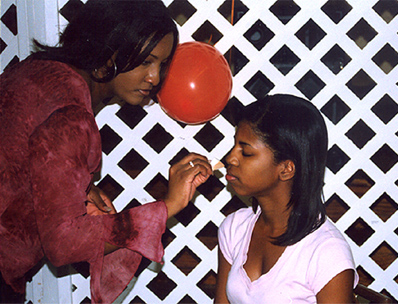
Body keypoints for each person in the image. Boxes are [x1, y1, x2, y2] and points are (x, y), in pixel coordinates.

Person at [0, 0, 212, 303]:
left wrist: (77, 190)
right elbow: (63, 244)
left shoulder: (37, 73)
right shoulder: (71, 114)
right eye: (145, 61)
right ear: (108, 49)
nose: (154, 78)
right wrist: (167, 206)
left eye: (161, 65)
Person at [215, 94, 359, 303]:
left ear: (286, 169)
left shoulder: (325, 251)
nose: (230, 158)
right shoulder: (234, 229)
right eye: (235, 145)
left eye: (245, 152)